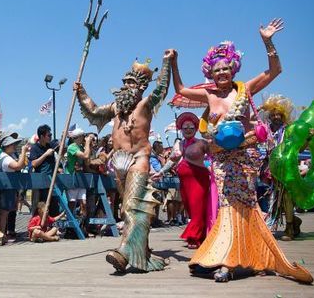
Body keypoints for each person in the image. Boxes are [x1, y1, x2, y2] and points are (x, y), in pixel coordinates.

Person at [171, 19, 312, 283]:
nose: (222, 73)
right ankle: (227, 255)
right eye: (217, 70)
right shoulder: (209, 96)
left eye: (226, 68)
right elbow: (179, 89)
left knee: (242, 205)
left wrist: (267, 41)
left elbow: (275, 70)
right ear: (210, 74)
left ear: (233, 69)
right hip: (221, 160)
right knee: (226, 206)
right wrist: (173, 63)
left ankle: (236, 260)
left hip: (245, 157)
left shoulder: (245, 89)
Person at [75, 51, 172, 273]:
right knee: (128, 208)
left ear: (141, 86)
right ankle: (141, 252)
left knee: (132, 206)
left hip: (139, 158)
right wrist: (81, 92)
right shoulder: (116, 108)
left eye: (131, 82)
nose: (126, 86)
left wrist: (166, 62)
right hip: (118, 163)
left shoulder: (145, 104)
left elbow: (162, 88)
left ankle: (124, 252)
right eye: (125, 82)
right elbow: (94, 110)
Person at [155, 112, 210, 249]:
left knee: (198, 208)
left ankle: (193, 237)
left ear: (196, 129)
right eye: (185, 128)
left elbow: (213, 157)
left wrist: (213, 170)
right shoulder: (178, 145)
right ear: (181, 129)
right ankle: (201, 234)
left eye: (191, 128)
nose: (188, 130)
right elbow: (172, 161)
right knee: (191, 209)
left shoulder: (202, 143)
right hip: (184, 182)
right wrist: (161, 172)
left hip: (199, 180)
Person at [259, 95, 301, 240]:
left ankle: (289, 228)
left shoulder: (290, 130)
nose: (276, 117)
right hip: (271, 169)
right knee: (277, 198)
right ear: (270, 116)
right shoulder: (266, 130)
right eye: (273, 114)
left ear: (283, 116)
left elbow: (299, 149)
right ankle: (294, 221)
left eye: (279, 114)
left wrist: (307, 139)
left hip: (287, 168)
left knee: (286, 197)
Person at [0, 133, 29, 237]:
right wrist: (23, 152)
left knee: (5, 212)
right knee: (4, 212)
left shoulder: (6, 156)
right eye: (12, 144)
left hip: (8, 187)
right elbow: (18, 166)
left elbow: (21, 164)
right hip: (6, 187)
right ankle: (1, 234)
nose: (14, 146)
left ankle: (2, 233)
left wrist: (22, 156)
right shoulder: (6, 158)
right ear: (6, 146)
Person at [28, 124, 59, 216]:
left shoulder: (51, 145)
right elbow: (33, 164)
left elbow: (61, 146)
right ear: (42, 136)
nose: (50, 137)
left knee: (54, 207)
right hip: (41, 183)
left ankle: (52, 228)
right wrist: (45, 154)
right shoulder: (35, 148)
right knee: (40, 207)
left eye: (51, 135)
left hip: (52, 181)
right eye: (48, 135)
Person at [65, 127, 93, 220]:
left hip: (81, 177)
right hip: (72, 177)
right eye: (82, 136)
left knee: (83, 203)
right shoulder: (72, 147)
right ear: (78, 137)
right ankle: (70, 223)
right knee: (72, 203)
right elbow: (85, 156)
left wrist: (89, 145)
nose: (84, 138)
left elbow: (88, 160)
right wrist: (88, 143)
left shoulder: (81, 147)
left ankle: (82, 225)